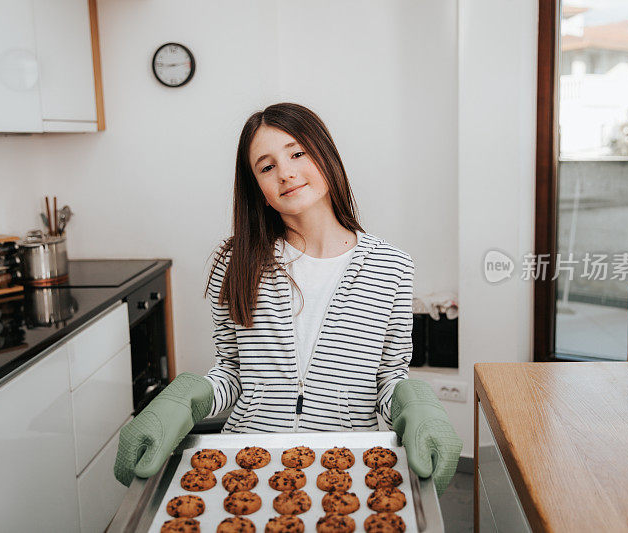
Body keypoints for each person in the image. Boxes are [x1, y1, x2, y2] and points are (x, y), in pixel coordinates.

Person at [113, 103, 462, 496]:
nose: (286, 173)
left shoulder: (392, 267)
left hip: (343, 467)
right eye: (266, 167)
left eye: (297, 153)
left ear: (326, 158)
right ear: (258, 191)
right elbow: (232, 370)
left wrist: (413, 403)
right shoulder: (237, 262)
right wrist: (186, 398)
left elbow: (387, 379)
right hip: (248, 466)